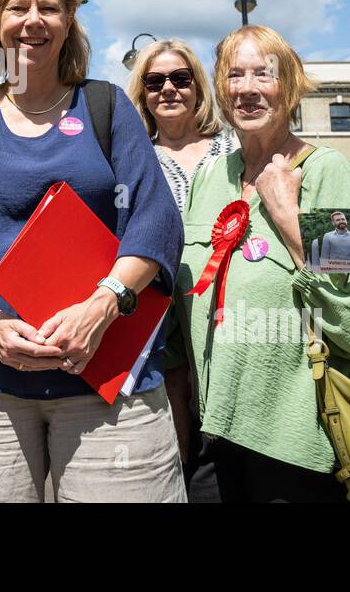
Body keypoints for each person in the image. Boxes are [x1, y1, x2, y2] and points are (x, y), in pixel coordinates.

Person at [0, 0, 185, 503]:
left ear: (68, 21)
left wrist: (103, 305)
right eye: (18, 6)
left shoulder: (107, 106)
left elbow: (154, 219)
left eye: (49, 7)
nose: (33, 20)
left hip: (105, 378)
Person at [170, 24, 350, 502]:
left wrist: (289, 216)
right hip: (212, 429)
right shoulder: (211, 177)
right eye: (234, 75)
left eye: (264, 75)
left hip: (293, 439)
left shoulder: (325, 169)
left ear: (289, 88)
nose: (247, 89)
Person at [124, 37, 235, 485]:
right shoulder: (134, 159)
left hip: (227, 308)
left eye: (180, 78)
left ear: (197, 86)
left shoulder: (232, 149)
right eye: (154, 81)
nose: (167, 89)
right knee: (175, 405)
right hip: (161, 313)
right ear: (142, 93)